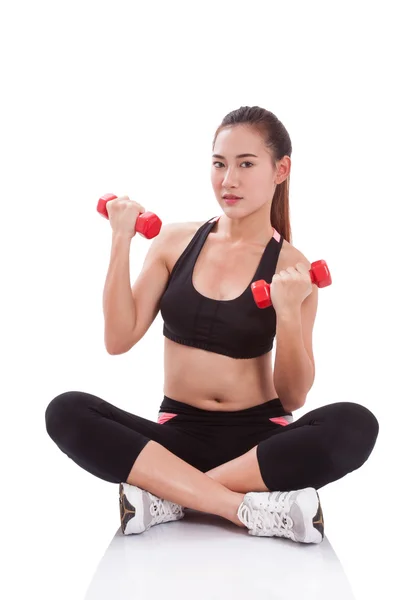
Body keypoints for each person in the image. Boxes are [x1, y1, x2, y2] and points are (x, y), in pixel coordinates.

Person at [45, 106, 379, 544]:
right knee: (66, 411)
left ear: (281, 170)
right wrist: (121, 238)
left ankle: (171, 496)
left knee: (356, 424)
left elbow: (294, 396)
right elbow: (117, 339)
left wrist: (288, 312)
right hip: (176, 437)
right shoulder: (173, 242)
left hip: (259, 444)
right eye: (219, 164)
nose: (229, 180)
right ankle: (239, 506)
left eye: (246, 164)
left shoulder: (294, 269)